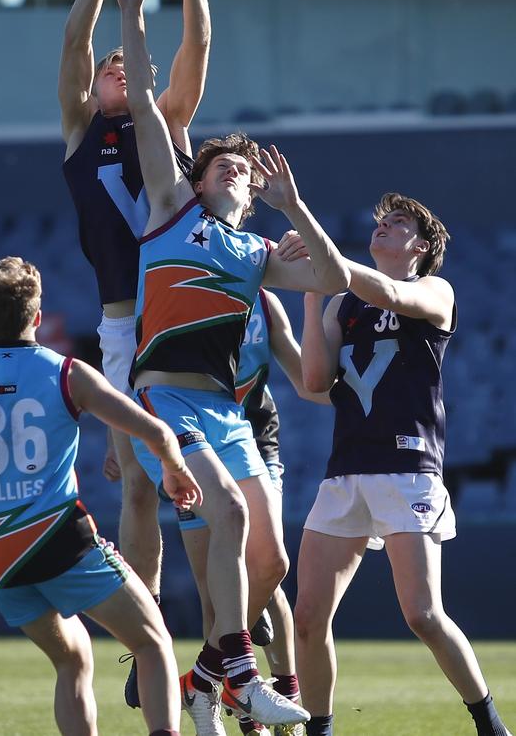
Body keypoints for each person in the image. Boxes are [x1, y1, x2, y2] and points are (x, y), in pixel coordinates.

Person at [115, 0, 350, 734]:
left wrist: (297, 204)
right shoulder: (172, 207)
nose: (238, 171)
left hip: (227, 411)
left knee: (269, 560)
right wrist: (132, 9)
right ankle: (241, 672)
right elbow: (147, 98)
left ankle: (209, 673)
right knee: (225, 514)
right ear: (200, 175)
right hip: (163, 394)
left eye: (246, 170)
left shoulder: (254, 257)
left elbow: (330, 271)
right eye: (226, 163)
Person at [0, 256, 203, 736]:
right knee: (152, 642)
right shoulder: (67, 373)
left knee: (73, 659)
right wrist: (175, 470)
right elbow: (156, 432)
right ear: (38, 318)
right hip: (59, 539)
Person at [57, 0, 210, 704]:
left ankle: (227, 636)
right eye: (112, 68)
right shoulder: (82, 130)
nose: (117, 68)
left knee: (212, 481)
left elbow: (193, 50)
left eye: (127, 64)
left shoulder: (169, 123)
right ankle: (149, 634)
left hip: (185, 313)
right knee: (140, 485)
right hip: (124, 325)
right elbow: (78, 40)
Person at [294, 193, 513, 736]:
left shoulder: (435, 290)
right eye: (382, 221)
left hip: (407, 468)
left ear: (421, 245)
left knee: (422, 615)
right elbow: (315, 383)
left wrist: (316, 243)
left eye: (399, 223)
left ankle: (488, 722)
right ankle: (320, 728)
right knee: (308, 618)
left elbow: (389, 291)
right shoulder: (341, 303)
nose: (384, 227)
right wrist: (311, 294)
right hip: (345, 471)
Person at [182, 288, 330, 736]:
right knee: (216, 593)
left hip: (254, 442)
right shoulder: (181, 287)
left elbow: (307, 380)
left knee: (267, 571)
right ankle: (239, 707)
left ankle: (263, 689)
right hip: (195, 440)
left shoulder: (263, 302)